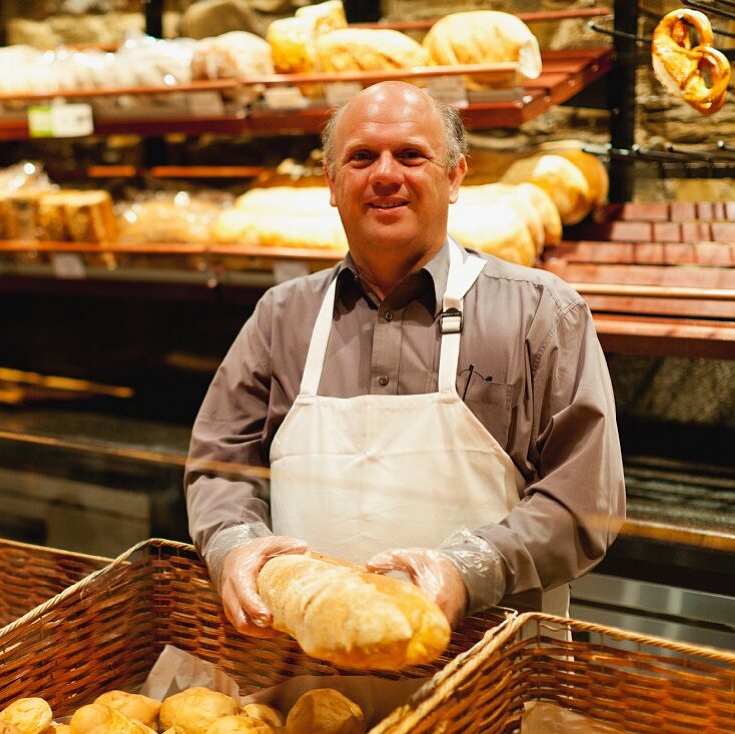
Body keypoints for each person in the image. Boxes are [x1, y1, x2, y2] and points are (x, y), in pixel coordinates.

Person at [185, 81, 625, 637]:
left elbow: (585, 500)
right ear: (331, 181)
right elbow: (219, 466)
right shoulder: (282, 316)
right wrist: (234, 547)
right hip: (304, 684)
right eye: (362, 157)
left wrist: (470, 572)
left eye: (411, 155)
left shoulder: (540, 313)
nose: (386, 175)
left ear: (456, 175)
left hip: (488, 678)